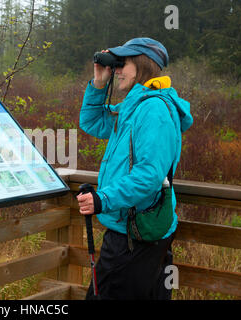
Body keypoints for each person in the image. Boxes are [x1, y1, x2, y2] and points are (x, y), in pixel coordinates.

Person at [76, 37, 193, 300]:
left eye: (122, 63)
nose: (116, 69)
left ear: (142, 64)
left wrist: (102, 199)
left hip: (134, 234)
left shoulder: (153, 110)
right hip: (132, 228)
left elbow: (149, 175)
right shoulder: (133, 107)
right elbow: (92, 121)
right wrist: (98, 83)